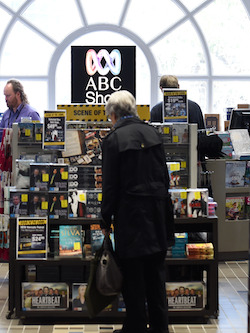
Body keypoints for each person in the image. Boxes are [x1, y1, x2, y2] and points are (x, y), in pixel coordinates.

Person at [101, 90, 174, 333]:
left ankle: (135, 327)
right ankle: (160, 328)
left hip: (131, 217)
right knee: (156, 277)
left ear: (113, 114)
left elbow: (110, 185)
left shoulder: (114, 140)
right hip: (157, 215)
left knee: (133, 278)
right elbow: (164, 177)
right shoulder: (153, 133)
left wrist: (105, 218)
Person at [0, 79, 41, 145]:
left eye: (8, 96)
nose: (5, 99)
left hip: (23, 152)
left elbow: (38, 142)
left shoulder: (31, 114)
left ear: (18, 94)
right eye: (5, 96)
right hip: (8, 153)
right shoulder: (6, 114)